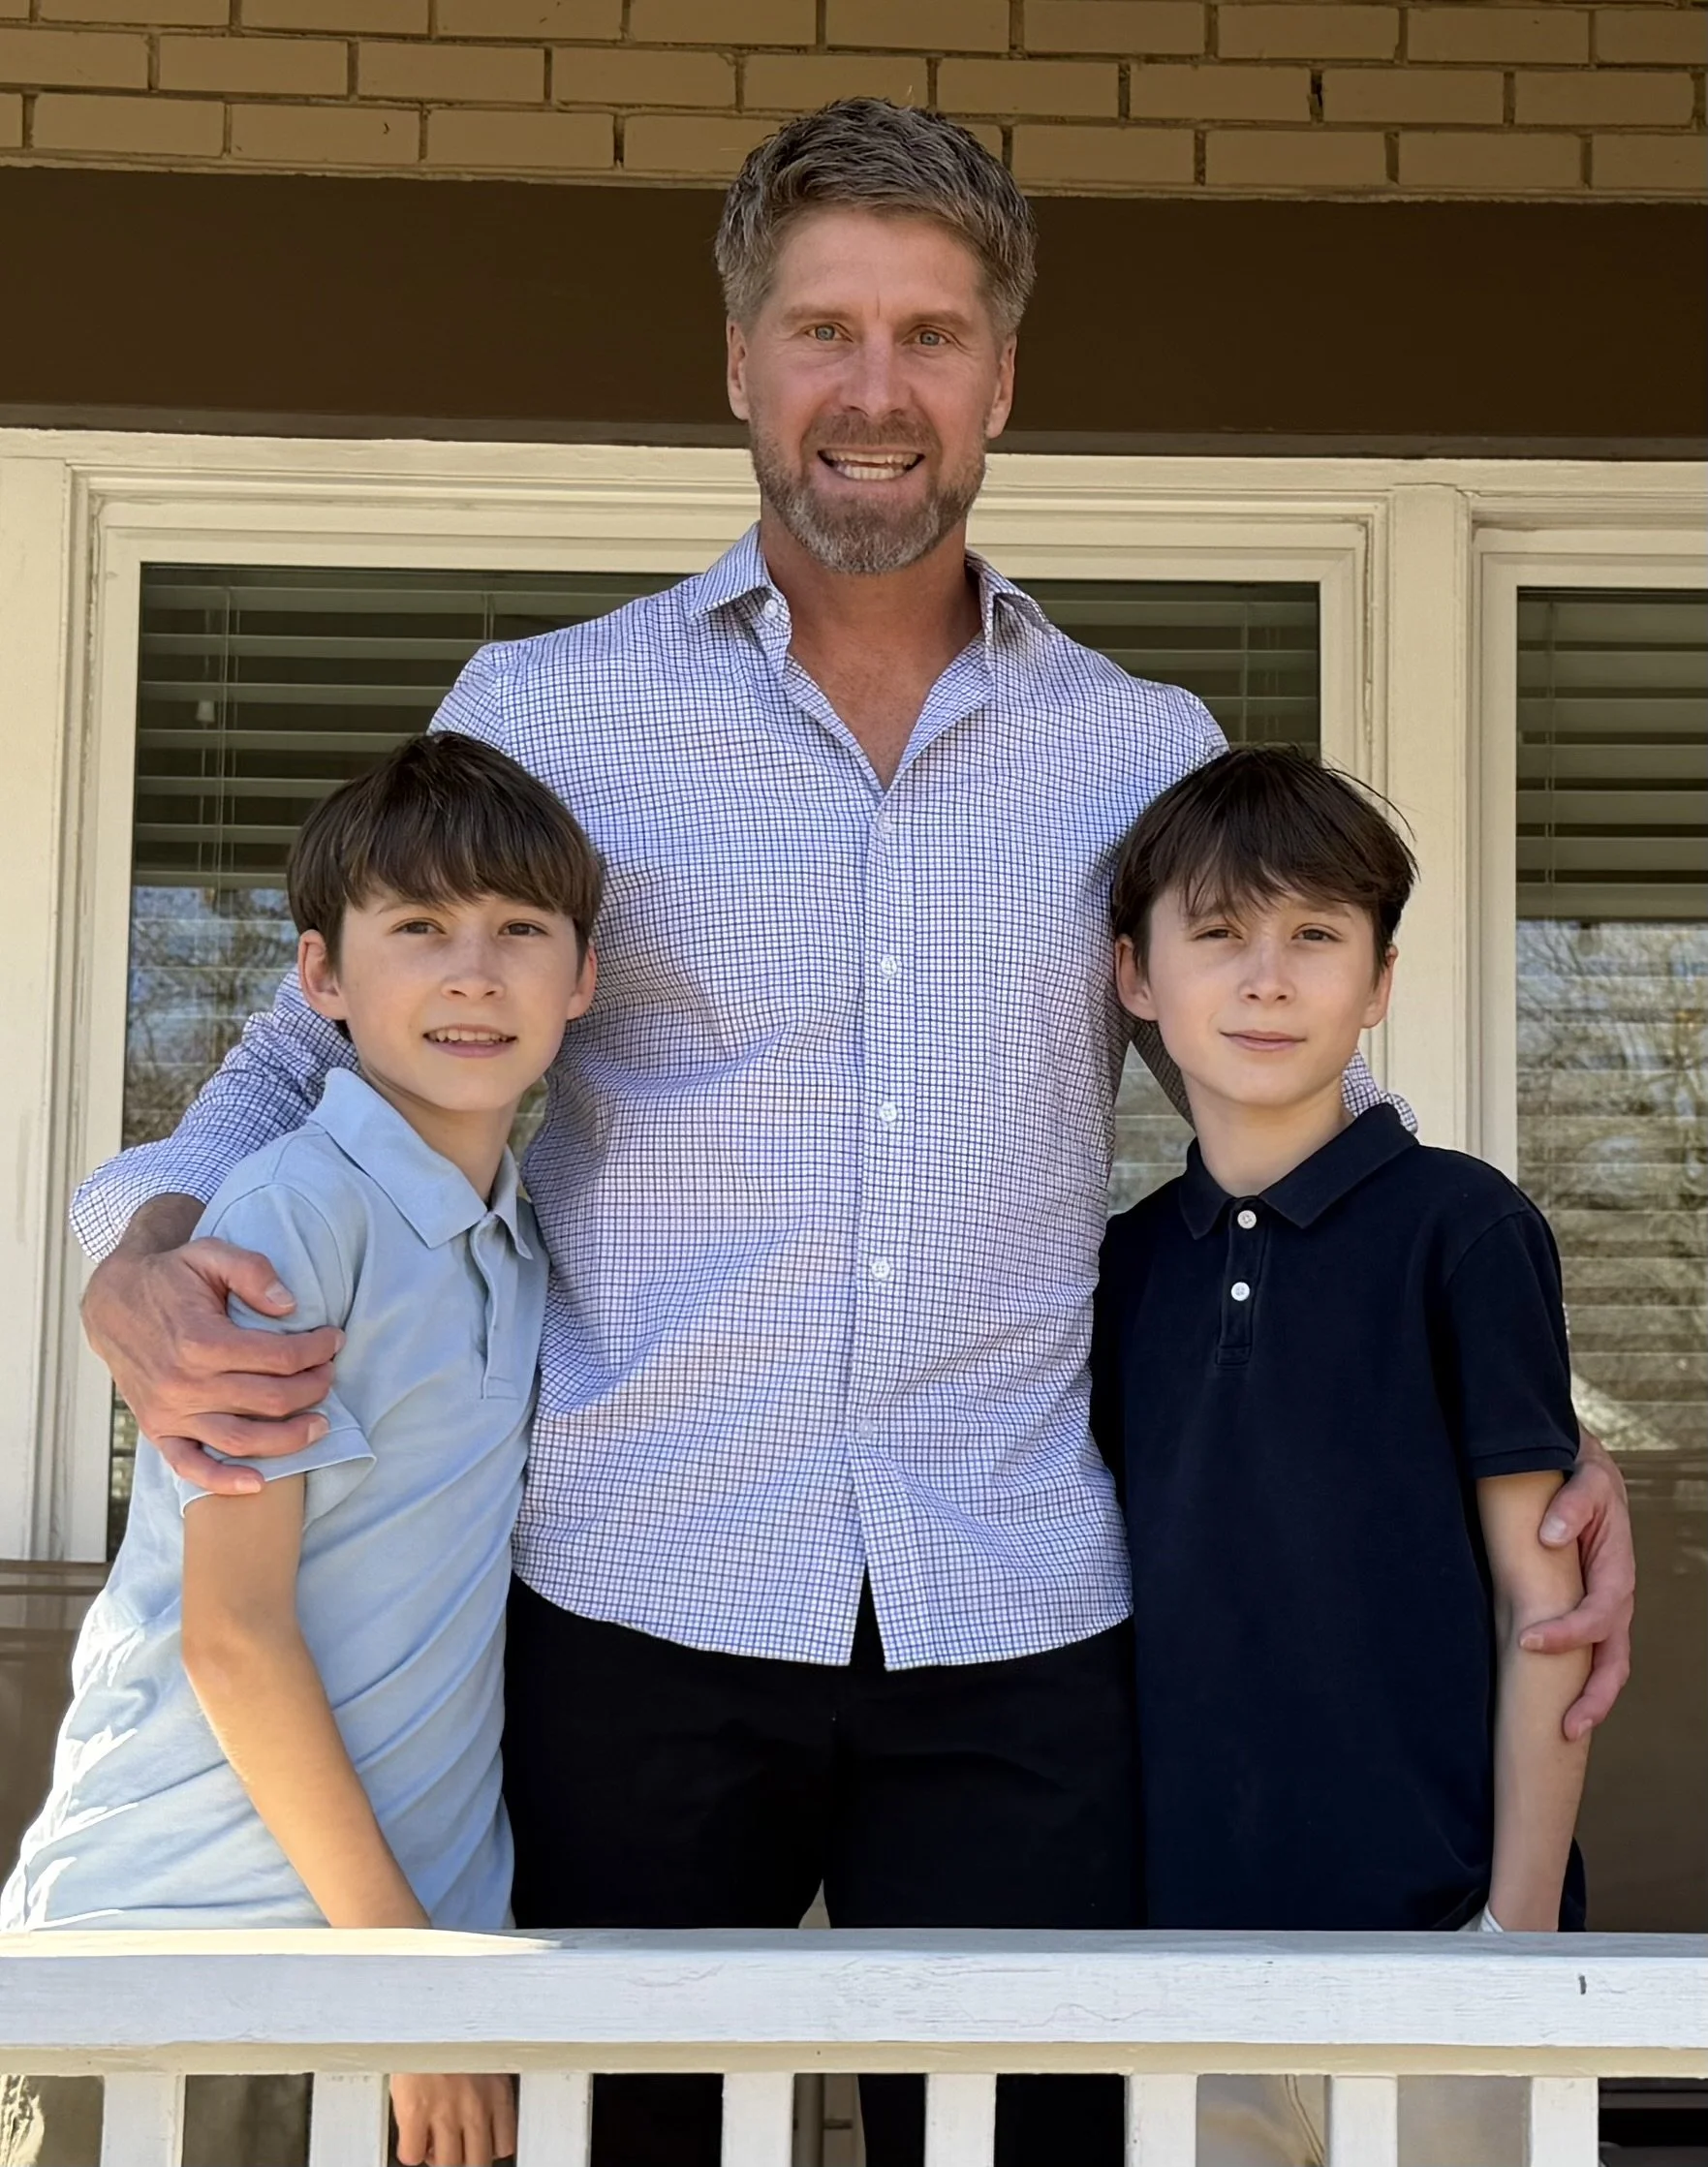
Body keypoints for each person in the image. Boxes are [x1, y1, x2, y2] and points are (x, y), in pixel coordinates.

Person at [72, 102, 1631, 2167]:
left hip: (1021, 1608)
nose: (871, 392)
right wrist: (134, 1248)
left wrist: (1494, 1390)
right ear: (737, 360)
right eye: (822, 330)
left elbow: (1284, 1096)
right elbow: (299, 1058)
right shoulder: (546, 711)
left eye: (926, 334)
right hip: (630, 1593)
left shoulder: (1132, 747)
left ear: (1000, 374)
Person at [3, 734, 601, 2167]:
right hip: (189, 1966)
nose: (474, 973)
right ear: (321, 980)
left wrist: (419, 1978)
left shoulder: (512, 1240)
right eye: (419, 931)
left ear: (581, 982)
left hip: (391, 1960)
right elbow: (233, 1640)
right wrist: (407, 1992)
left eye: (521, 932)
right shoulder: (291, 1216)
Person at [1095, 746, 1591, 2165]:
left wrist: (1512, 1929)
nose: (1267, 979)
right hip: (1181, 1966)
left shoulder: (1461, 1229)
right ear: (1136, 977)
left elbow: (1542, 1607)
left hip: (1441, 1946)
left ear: (1375, 985)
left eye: (1314, 937)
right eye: (1218, 935)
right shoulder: (1118, 1269)